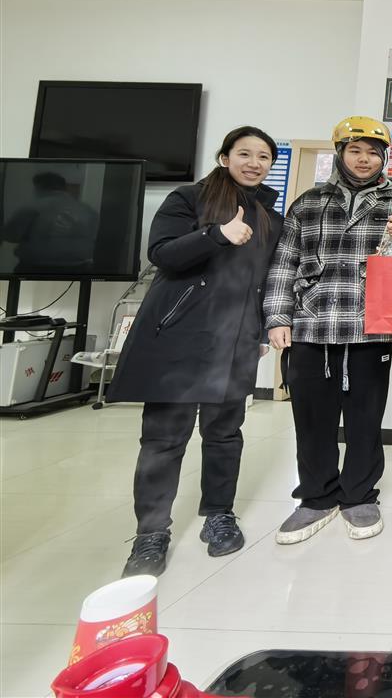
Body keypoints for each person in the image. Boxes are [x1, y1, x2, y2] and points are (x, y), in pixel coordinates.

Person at [110, 126, 283, 577]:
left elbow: (266, 281)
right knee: (164, 439)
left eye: (263, 156)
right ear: (225, 157)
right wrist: (216, 234)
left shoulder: (270, 217)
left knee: (225, 434)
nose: (254, 163)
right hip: (179, 337)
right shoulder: (187, 198)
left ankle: (219, 515)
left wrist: (261, 330)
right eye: (244, 153)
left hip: (234, 339)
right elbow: (163, 253)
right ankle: (151, 533)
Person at [265, 116, 392, 544]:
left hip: (372, 326)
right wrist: (278, 318)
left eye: (373, 152)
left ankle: (359, 496)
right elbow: (284, 262)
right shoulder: (308, 202)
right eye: (355, 151)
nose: (364, 159)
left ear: (383, 158)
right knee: (312, 419)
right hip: (312, 324)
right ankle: (316, 497)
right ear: (340, 154)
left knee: (365, 418)